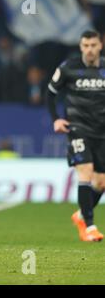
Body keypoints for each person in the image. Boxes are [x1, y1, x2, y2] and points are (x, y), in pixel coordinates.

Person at [47, 30, 105, 242]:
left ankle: (80, 215)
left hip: (102, 132)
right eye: (86, 45)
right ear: (81, 47)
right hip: (78, 128)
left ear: (100, 45)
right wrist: (56, 119)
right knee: (86, 171)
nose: (89, 49)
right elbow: (50, 94)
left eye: (93, 45)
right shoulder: (68, 68)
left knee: (101, 183)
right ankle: (89, 226)